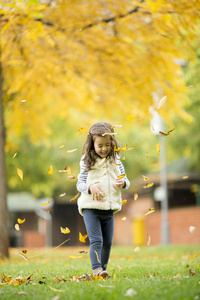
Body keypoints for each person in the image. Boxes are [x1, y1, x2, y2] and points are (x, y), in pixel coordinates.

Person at [76, 122, 130, 278]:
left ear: (112, 143)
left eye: (107, 145)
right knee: (97, 240)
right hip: (90, 208)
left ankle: (102, 270)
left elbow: (126, 180)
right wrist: (90, 187)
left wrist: (123, 183)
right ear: (92, 144)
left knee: (107, 243)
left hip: (108, 208)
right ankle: (96, 269)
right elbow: (80, 183)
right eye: (100, 145)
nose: (104, 148)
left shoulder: (116, 160)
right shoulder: (87, 160)